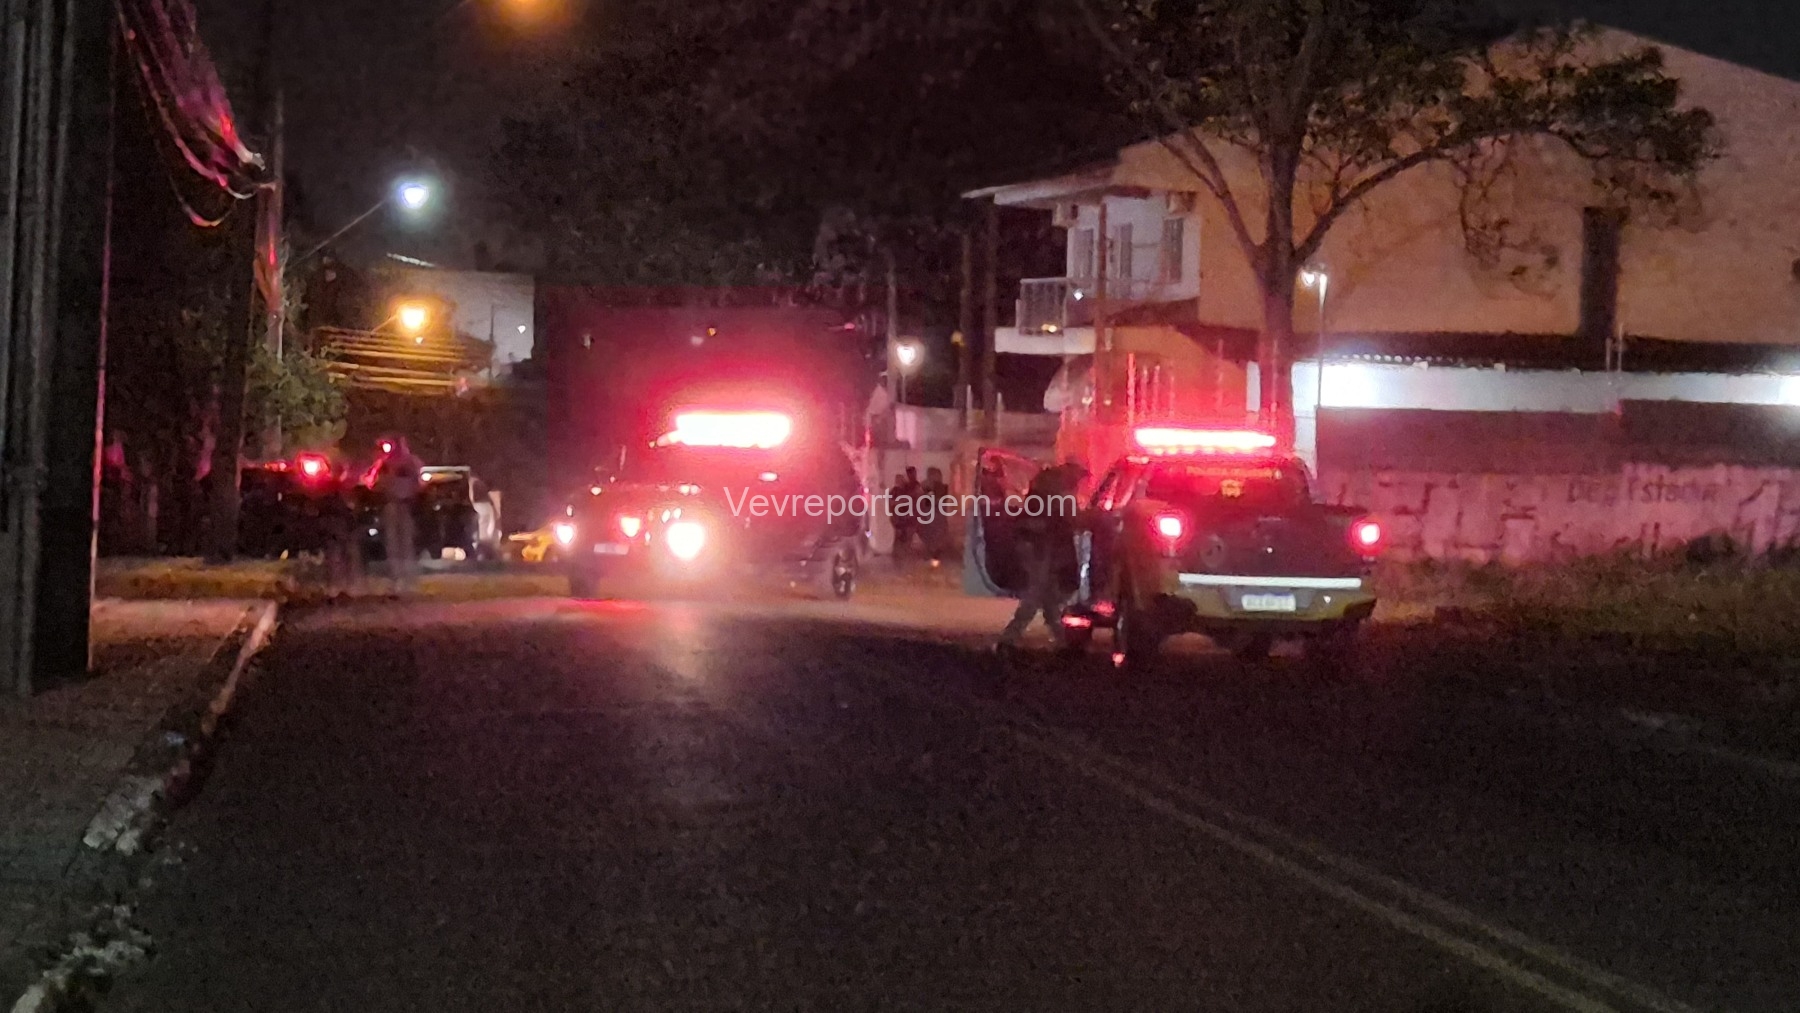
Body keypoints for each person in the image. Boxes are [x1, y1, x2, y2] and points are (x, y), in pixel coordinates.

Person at [997, 460, 1087, 651]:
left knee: (1049, 596)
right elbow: (1072, 520)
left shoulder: (1045, 489)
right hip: (1039, 547)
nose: (1080, 483)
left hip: (1037, 545)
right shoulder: (1062, 494)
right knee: (1036, 594)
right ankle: (1008, 639)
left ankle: (1061, 640)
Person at [373, 435, 424, 593]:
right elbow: (374, 481)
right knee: (393, 542)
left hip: (406, 506)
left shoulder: (411, 462)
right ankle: (396, 578)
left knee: (405, 542)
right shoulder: (384, 463)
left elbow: (419, 482)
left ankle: (408, 578)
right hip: (391, 504)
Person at [919, 466, 952, 566]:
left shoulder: (942, 488)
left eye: (933, 475)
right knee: (932, 541)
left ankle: (935, 559)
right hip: (931, 520)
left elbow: (935, 501)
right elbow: (927, 503)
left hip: (937, 520)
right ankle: (932, 559)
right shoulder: (928, 488)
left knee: (937, 542)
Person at [887, 468, 921, 565]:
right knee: (899, 539)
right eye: (899, 480)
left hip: (905, 519)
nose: (901, 482)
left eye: (902, 480)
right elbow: (892, 503)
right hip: (899, 520)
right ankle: (899, 559)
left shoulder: (907, 489)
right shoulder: (894, 491)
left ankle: (903, 559)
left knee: (905, 540)